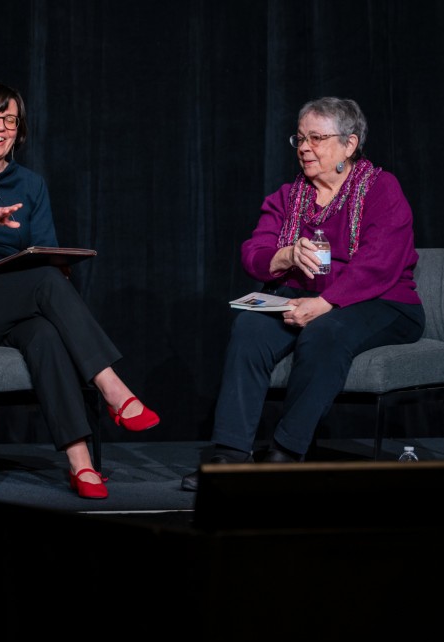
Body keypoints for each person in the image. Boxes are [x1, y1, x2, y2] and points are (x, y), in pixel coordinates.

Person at [0, 82, 158, 499]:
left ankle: (81, 464)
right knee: (42, 285)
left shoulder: (30, 183)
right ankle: (113, 388)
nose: (0, 127)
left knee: (43, 332)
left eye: (10, 119)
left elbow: (46, 257)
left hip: (8, 301)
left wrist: (60, 265)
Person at [182, 96, 424, 491]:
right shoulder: (289, 196)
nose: (304, 148)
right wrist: (285, 254)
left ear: (349, 143)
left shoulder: (381, 188)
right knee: (249, 329)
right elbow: (253, 253)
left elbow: (379, 262)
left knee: (325, 332)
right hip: (303, 295)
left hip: (384, 302)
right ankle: (230, 454)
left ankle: (286, 452)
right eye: (299, 138)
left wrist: (325, 303)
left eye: (316, 138)